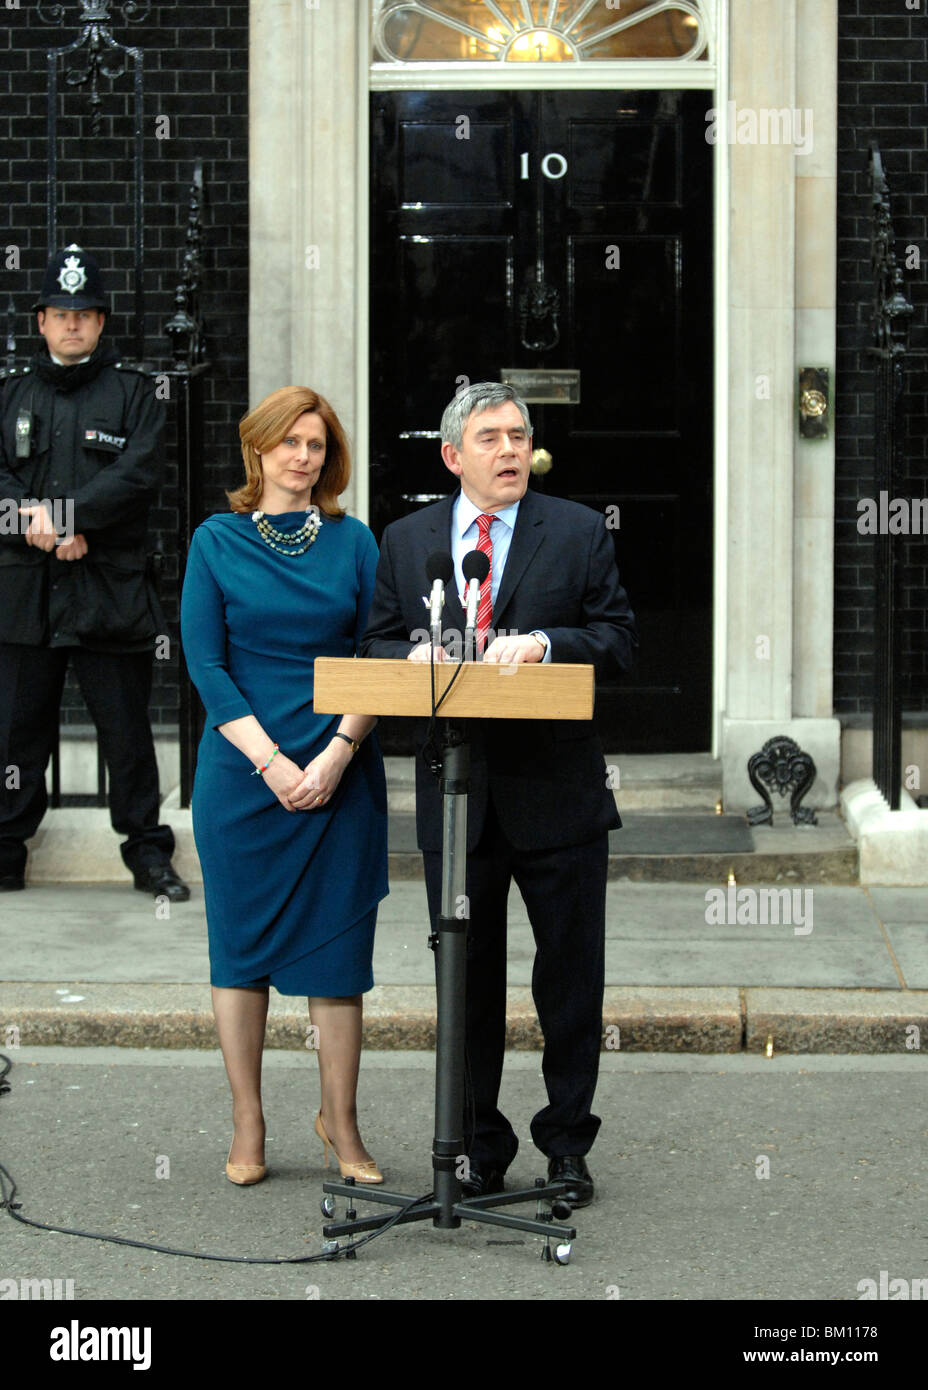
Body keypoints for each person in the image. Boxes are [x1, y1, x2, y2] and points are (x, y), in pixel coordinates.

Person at [361, 381, 637, 1208]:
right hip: (458, 796)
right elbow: (374, 641)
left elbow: (618, 639)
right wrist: (405, 662)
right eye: (490, 438)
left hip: (556, 792)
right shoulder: (407, 540)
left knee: (569, 982)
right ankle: (479, 1145)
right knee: (467, 981)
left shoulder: (580, 531)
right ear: (453, 455)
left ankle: (566, 1146)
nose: (510, 450)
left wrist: (547, 643)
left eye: (518, 435)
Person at [180, 385, 388, 1186]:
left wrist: (337, 753)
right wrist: (270, 761)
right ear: (258, 449)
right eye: (290, 443)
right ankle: (249, 1120)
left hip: (340, 768)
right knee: (239, 955)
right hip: (243, 775)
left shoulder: (354, 542)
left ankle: (341, 1122)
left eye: (317, 445)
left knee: (338, 960)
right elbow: (205, 664)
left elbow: (378, 658)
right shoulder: (215, 540)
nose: (303, 458)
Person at [0, 244, 189, 901]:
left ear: (102, 321)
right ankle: (4, 850)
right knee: (15, 736)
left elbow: (138, 477)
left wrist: (67, 518)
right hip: (26, 594)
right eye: (60, 312)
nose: (72, 323)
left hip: (108, 588)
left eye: (85, 312)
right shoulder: (11, 394)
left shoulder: (135, 394)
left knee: (127, 736)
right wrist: (43, 527)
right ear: (41, 320)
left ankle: (147, 854)